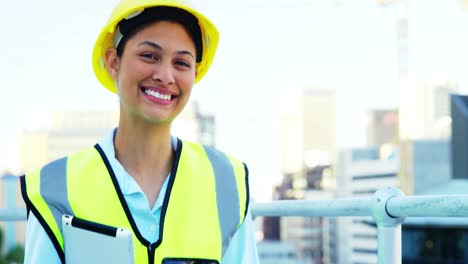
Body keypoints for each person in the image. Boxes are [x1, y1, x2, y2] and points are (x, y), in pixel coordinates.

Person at [20, 0, 259, 263]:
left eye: (181, 63)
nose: (166, 75)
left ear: (195, 73)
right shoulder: (54, 189)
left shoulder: (228, 183)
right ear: (113, 62)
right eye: (149, 56)